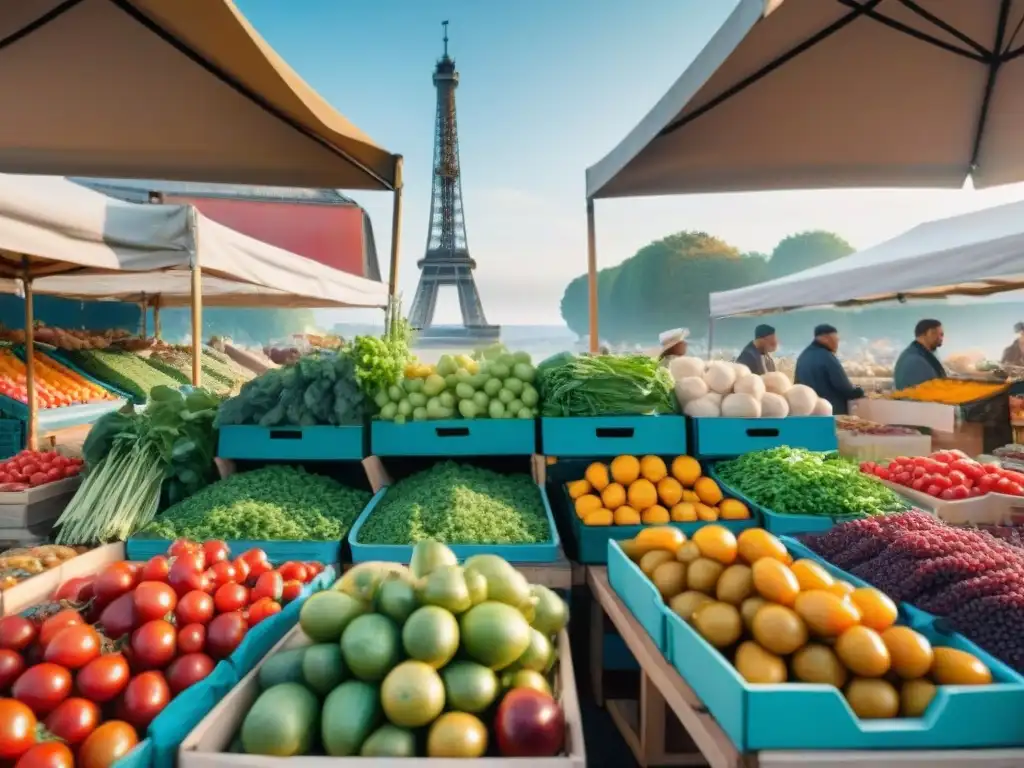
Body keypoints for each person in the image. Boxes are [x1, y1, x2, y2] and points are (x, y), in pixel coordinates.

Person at [795, 324, 865, 415]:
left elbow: (797, 385)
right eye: (835, 340)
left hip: (809, 413)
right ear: (825, 338)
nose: (837, 344)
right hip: (831, 412)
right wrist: (858, 391)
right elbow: (843, 386)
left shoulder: (802, 357)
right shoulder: (827, 357)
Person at [893, 319, 946, 390]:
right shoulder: (915, 360)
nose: (941, 338)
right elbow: (928, 391)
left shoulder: (918, 354)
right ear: (928, 333)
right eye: (940, 334)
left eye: (942, 335)